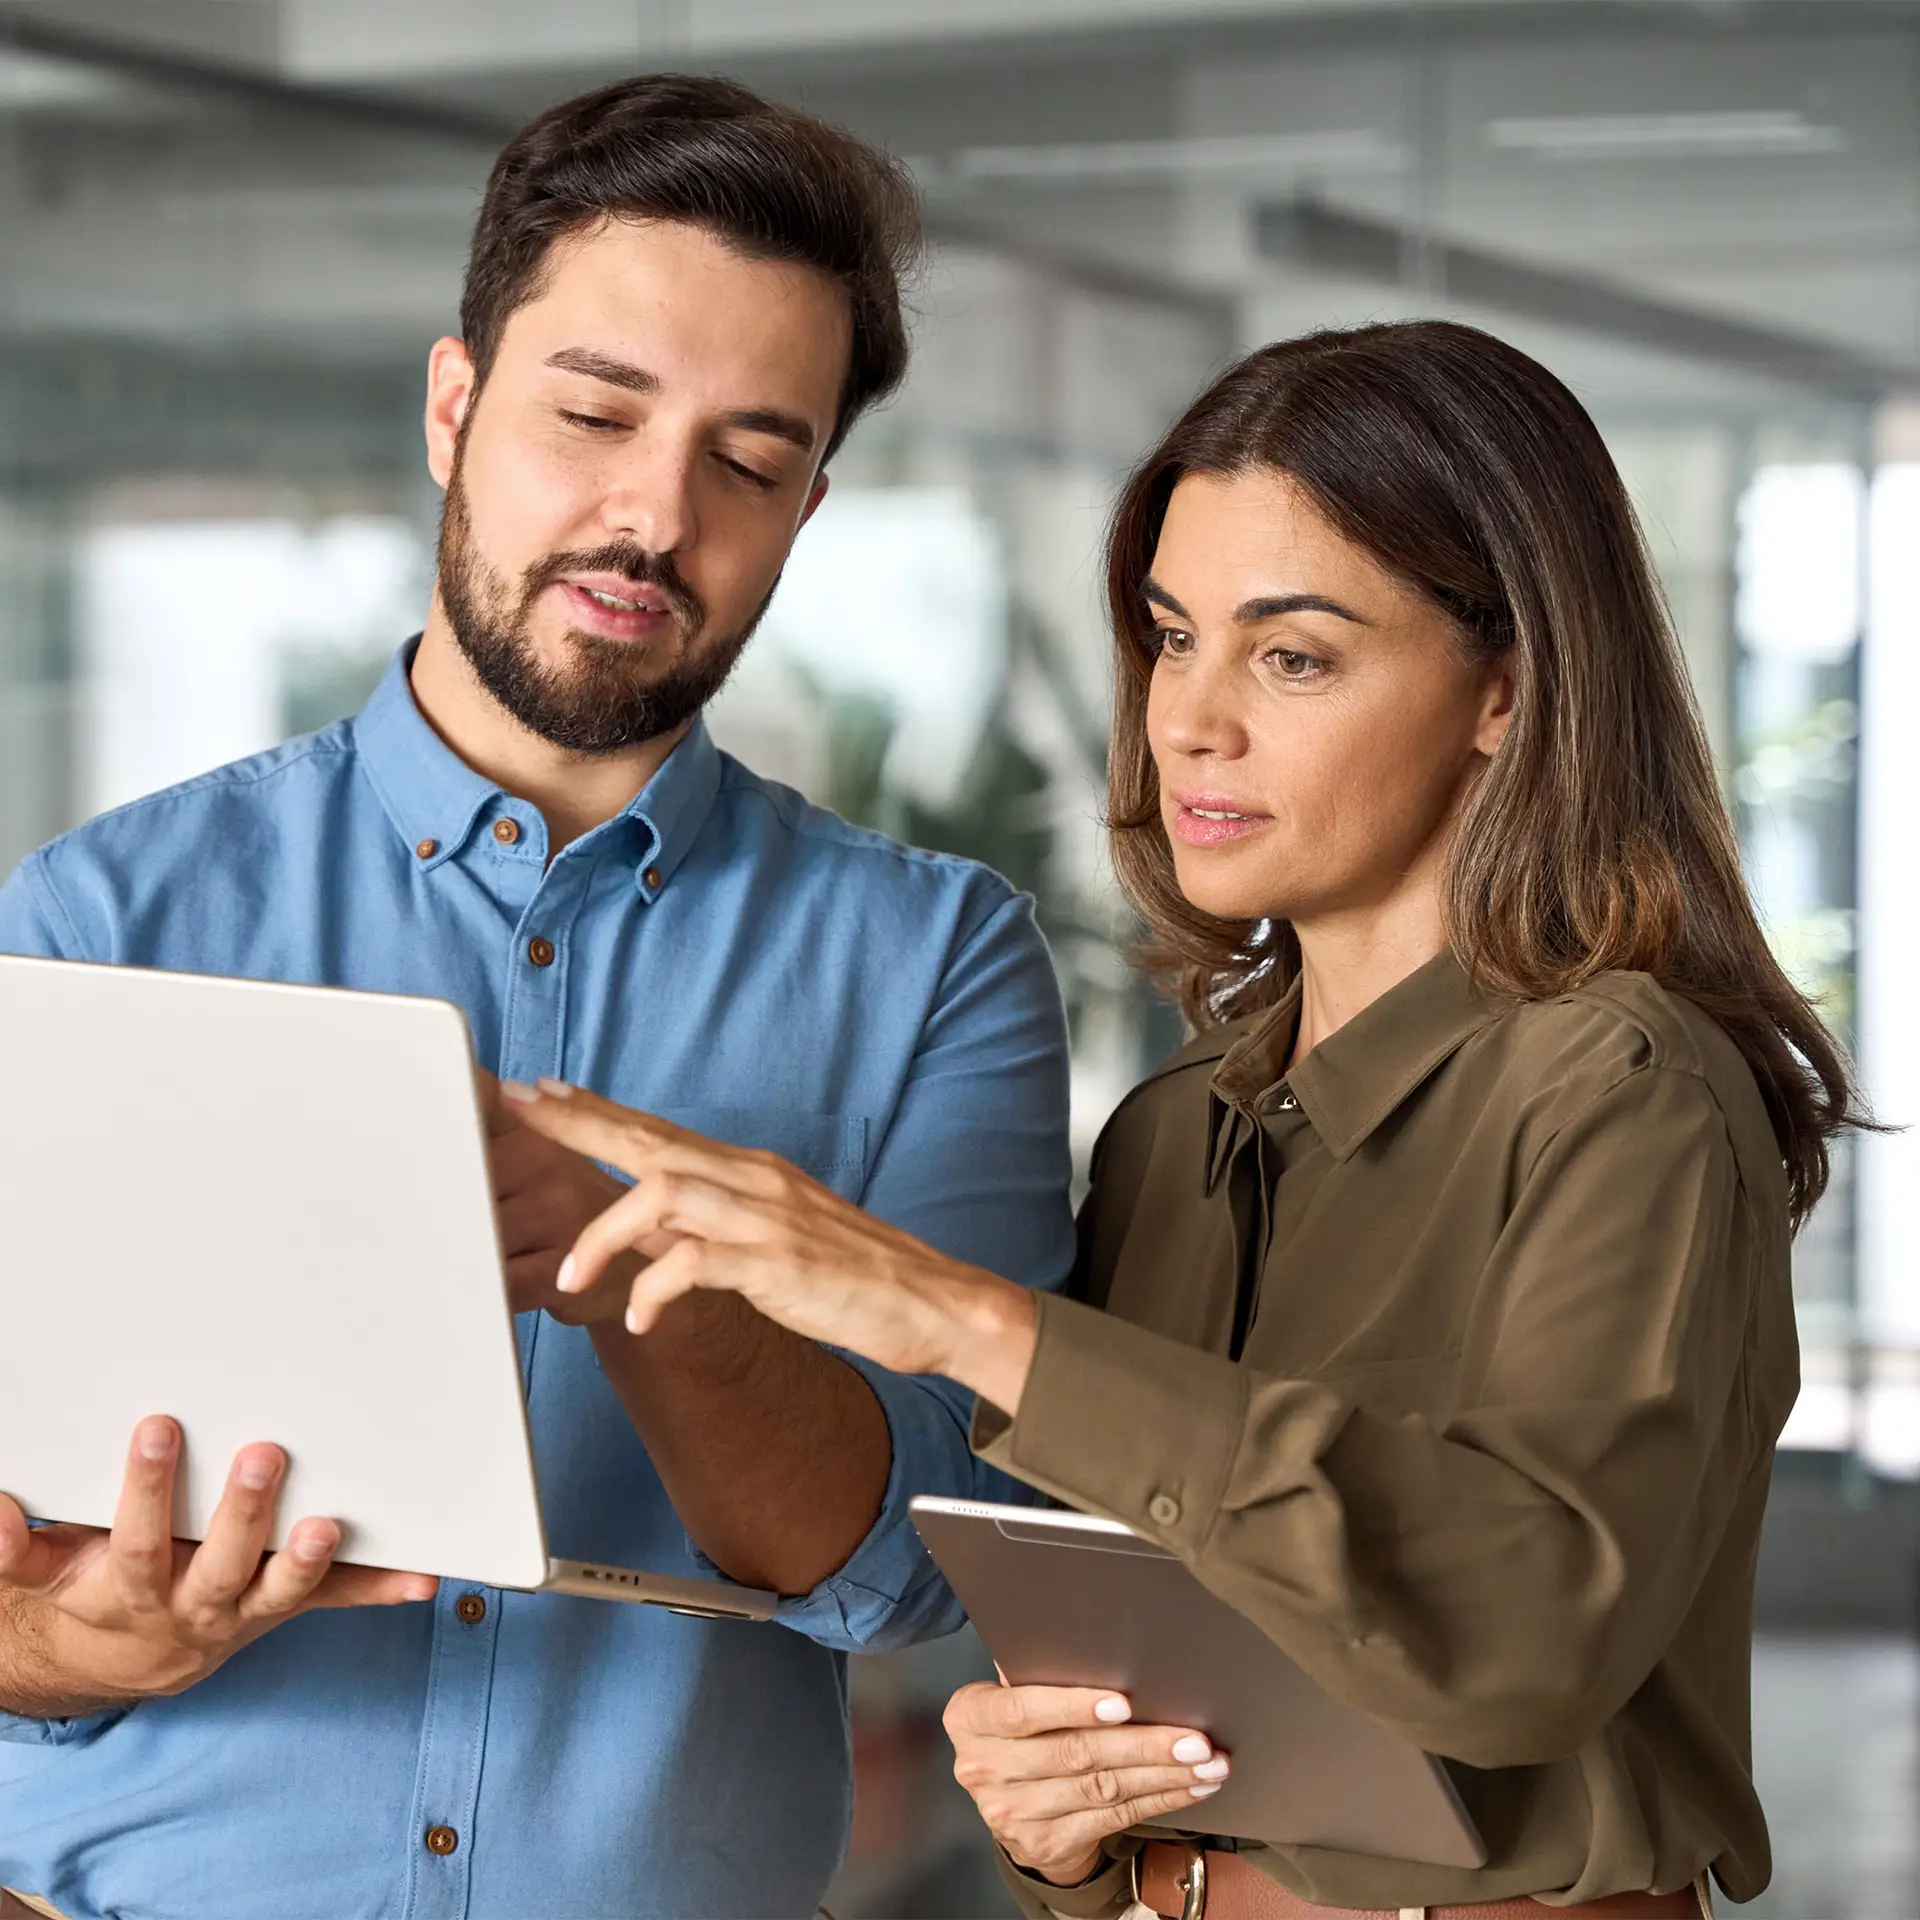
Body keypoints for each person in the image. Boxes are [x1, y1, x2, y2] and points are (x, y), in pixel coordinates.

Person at [498, 320, 1862, 1920]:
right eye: (1171, 636)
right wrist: (1056, 1817)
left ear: (1504, 691)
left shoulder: (1625, 1088)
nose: (1190, 720)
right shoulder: (1169, 1143)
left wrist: (958, 1317)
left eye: (1294, 655)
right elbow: (1153, 1707)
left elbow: (1523, 1636)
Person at [0, 75, 1074, 1920]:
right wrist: (75, 1651)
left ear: (810, 506)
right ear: (452, 407)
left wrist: (633, 1247)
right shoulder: (95, 920)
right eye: (593, 413)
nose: (652, 516)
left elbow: (917, 1574)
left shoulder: (936, 963)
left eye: (749, 462)